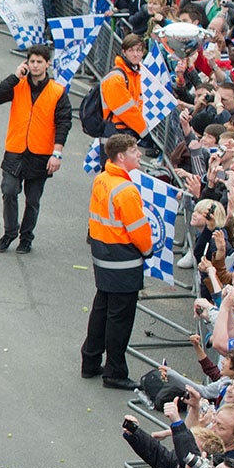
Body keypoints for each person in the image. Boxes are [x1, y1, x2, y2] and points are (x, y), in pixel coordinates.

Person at [82, 131, 153, 392]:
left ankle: (90, 360)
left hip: (103, 254)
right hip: (123, 259)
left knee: (101, 309)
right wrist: (147, 251)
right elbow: (139, 230)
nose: (140, 154)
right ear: (122, 156)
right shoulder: (126, 189)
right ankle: (114, 371)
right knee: (119, 319)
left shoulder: (103, 179)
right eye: (135, 151)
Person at [0, 44, 71, 254]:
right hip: (16, 149)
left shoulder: (57, 91)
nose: (35, 66)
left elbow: (64, 123)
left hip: (41, 153)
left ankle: (26, 237)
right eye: (31, 61)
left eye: (39, 62)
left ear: (47, 64)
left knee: (33, 199)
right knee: (8, 190)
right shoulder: (18, 84)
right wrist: (14, 77)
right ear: (26, 63)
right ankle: (10, 232)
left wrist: (57, 153)